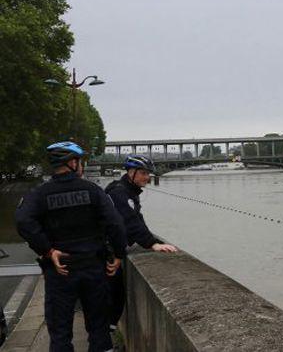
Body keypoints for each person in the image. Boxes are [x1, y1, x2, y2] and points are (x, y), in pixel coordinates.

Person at [15, 141, 127, 352]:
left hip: (60, 271)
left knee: (60, 332)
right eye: (81, 161)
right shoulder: (92, 191)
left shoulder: (39, 194)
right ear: (72, 163)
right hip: (93, 268)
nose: (82, 165)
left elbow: (23, 222)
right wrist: (119, 253)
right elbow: (116, 223)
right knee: (99, 329)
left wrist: (48, 250)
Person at [105, 154, 177, 328]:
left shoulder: (126, 191)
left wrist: (151, 240)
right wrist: (152, 244)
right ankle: (103, 338)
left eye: (148, 173)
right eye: (143, 173)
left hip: (110, 247)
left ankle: (105, 333)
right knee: (114, 296)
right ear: (131, 172)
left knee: (114, 297)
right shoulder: (119, 193)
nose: (147, 177)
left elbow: (137, 218)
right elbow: (130, 221)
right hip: (105, 250)